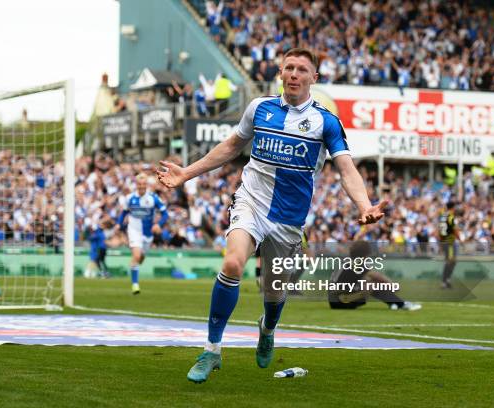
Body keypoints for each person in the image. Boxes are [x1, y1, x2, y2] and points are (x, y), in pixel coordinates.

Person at [157, 48, 388, 383]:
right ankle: (212, 350)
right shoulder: (259, 108)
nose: (294, 74)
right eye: (289, 68)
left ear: (314, 78)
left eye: (302, 69)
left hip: (288, 219)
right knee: (233, 263)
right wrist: (186, 173)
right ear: (281, 73)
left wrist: (364, 205)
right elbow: (232, 146)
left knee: (274, 293)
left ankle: (267, 328)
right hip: (250, 201)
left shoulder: (326, 122)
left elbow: (346, 169)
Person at [327, 241, 421, 311]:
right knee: (372, 284)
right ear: (365, 254)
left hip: (335, 300)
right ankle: (401, 304)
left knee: (367, 281)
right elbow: (377, 276)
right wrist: (392, 285)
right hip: (341, 301)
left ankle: (394, 303)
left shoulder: (347, 261)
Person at [117, 173, 168, 294]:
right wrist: (119, 224)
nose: (141, 186)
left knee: (140, 258)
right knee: (136, 256)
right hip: (134, 230)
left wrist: (158, 224)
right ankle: (135, 285)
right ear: (136, 184)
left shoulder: (153, 198)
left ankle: (134, 264)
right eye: (139, 184)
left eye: (143, 184)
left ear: (146, 185)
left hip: (147, 234)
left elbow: (165, 214)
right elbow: (124, 213)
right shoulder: (129, 198)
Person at [438, 201, 459, 289]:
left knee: (452, 261)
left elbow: (440, 230)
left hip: (444, 241)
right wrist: (460, 238)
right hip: (450, 241)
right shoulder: (451, 217)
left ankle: (447, 280)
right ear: (453, 207)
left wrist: (441, 242)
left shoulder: (443, 216)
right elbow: (455, 230)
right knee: (450, 261)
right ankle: (445, 281)